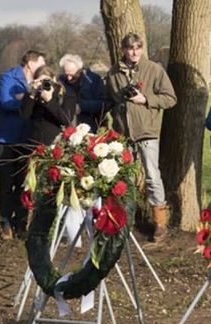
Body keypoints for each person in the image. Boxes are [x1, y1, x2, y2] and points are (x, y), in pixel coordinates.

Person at [106, 33, 177, 241]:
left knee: (152, 177)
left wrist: (145, 99)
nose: (134, 52)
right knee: (123, 179)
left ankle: (160, 223)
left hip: (147, 131)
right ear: (123, 50)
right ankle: (124, 220)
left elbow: (170, 98)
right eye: (130, 48)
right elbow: (108, 100)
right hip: (122, 135)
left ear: (142, 48)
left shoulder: (154, 70)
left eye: (137, 48)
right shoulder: (113, 74)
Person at [0, 50, 46, 238]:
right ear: (31, 63)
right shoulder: (9, 77)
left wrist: (26, 98)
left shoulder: (38, 80)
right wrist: (27, 98)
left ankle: (21, 222)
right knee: (6, 183)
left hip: (28, 139)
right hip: (7, 139)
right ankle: (5, 221)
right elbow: (6, 102)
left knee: (24, 183)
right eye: (41, 63)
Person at [21, 65, 78, 146]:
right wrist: (32, 95)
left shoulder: (66, 95)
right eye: (40, 81)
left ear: (54, 79)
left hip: (56, 143)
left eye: (47, 81)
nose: (43, 84)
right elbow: (24, 115)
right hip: (34, 144)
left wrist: (49, 100)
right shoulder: (33, 94)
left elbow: (66, 119)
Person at [58, 53, 106, 129]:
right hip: (67, 126)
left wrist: (82, 106)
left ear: (80, 70)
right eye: (66, 75)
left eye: (72, 75)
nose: (69, 78)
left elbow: (103, 104)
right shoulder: (60, 82)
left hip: (91, 124)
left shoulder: (93, 80)